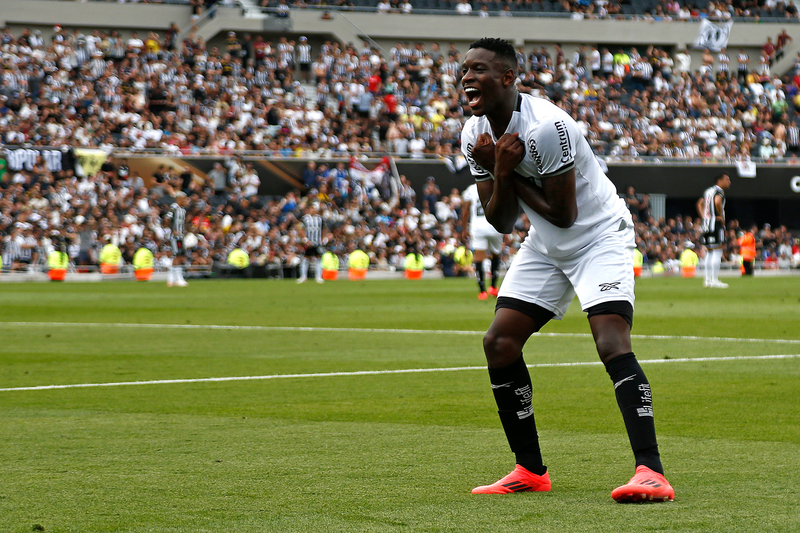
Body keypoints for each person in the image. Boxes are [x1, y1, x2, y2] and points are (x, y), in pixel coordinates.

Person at [459, 38, 673, 502]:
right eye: (464, 70)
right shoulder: (473, 133)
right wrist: (500, 171)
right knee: (499, 343)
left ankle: (651, 471)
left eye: (478, 69)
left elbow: (564, 213)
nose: (467, 77)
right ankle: (530, 470)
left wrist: (505, 170)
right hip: (546, 244)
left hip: (599, 236)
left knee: (610, 341)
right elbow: (500, 221)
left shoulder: (547, 127)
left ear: (507, 77)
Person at [461, 182, 503, 300]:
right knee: (496, 255)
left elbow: (465, 211)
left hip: (478, 227)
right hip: (495, 226)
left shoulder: (472, 188)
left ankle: (482, 291)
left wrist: (464, 229)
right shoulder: (497, 186)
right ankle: (493, 287)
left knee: (479, 258)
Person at [697, 173, 731, 289]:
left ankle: (707, 280)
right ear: (719, 181)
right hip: (715, 224)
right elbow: (717, 202)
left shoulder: (708, 191)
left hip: (706, 225)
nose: (729, 182)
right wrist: (721, 216)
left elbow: (699, 203)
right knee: (717, 251)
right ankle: (714, 280)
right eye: (727, 180)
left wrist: (704, 217)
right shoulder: (719, 192)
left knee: (709, 252)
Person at [297, 204, 325, 284]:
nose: (314, 210)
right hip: (308, 243)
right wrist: (305, 240)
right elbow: (300, 230)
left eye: (315, 209)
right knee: (305, 259)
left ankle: (318, 277)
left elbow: (324, 229)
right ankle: (303, 277)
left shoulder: (320, 219)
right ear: (309, 209)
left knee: (319, 259)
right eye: (312, 208)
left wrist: (323, 238)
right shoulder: (304, 218)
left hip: (317, 242)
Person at [166, 193, 189, 287]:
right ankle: (177, 279)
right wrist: (173, 230)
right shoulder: (174, 207)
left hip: (181, 236)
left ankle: (172, 279)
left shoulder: (183, 210)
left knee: (180, 256)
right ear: (179, 199)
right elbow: (167, 219)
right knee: (177, 256)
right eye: (184, 199)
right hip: (175, 237)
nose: (185, 201)